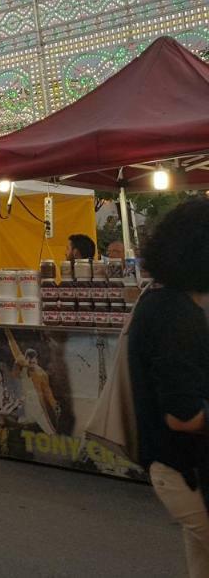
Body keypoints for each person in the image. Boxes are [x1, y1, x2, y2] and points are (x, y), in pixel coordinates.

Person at [128, 198, 209, 577]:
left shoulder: (163, 302)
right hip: (186, 468)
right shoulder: (176, 315)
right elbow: (184, 416)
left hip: (180, 466)